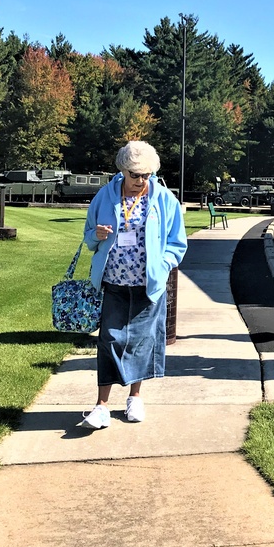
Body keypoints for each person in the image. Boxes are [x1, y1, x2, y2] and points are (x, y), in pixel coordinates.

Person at [78, 140, 187, 429]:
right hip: (113, 282)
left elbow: (178, 243)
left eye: (147, 176)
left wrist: (163, 265)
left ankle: (135, 398)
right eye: (135, 175)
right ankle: (101, 406)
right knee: (109, 340)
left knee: (141, 342)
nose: (141, 181)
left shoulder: (164, 199)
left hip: (148, 285)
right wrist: (97, 235)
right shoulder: (105, 196)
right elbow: (88, 236)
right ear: (123, 171)